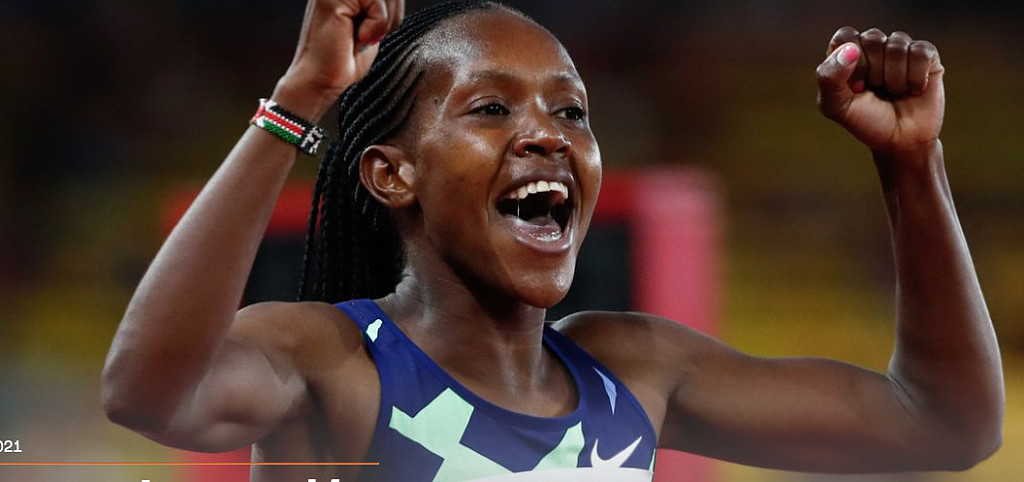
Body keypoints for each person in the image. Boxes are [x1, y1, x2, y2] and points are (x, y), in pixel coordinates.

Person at [101, 0, 1004, 481]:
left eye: (572, 111)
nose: (548, 135)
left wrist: (911, 163)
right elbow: (147, 393)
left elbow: (944, 427)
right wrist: (300, 98)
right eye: (491, 108)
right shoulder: (332, 361)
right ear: (391, 175)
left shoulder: (635, 372)